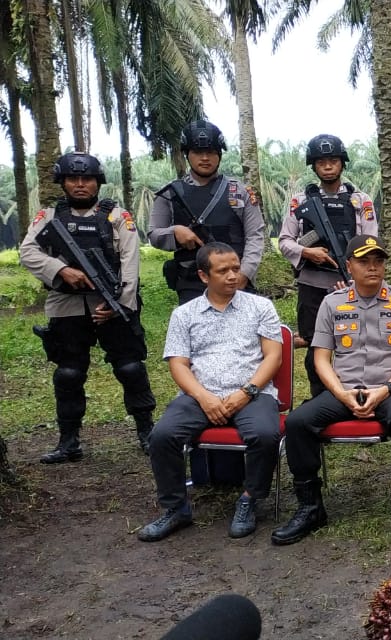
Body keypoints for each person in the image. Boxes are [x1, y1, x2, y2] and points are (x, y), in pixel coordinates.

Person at [271, 235, 391, 545]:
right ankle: (310, 506)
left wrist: (386, 389)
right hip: (343, 390)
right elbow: (320, 357)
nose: (373, 267)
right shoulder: (332, 303)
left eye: (378, 261)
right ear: (349, 266)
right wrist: (342, 394)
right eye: (364, 262)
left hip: (390, 389)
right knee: (297, 423)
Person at [137, 243, 284, 542]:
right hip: (199, 396)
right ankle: (175, 508)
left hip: (252, 394)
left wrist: (247, 392)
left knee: (265, 434)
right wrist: (204, 398)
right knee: (162, 436)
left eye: (236, 268)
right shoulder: (184, 314)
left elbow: (273, 357)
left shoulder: (260, 307)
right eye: (223, 271)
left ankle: (249, 499)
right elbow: (178, 363)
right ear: (204, 276)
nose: (232, 276)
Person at [20, 151, 156, 462]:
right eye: (73, 179)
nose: (80, 184)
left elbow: (130, 264)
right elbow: (28, 252)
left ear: (97, 183)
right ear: (63, 182)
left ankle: (147, 432)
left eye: (87, 179)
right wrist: (60, 270)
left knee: (130, 368)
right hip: (65, 306)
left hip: (113, 305)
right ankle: (69, 442)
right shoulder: (49, 217)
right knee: (68, 374)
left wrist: (120, 303)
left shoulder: (117, 217)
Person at [278, 134, 379, 397]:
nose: (328, 165)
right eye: (321, 161)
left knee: (358, 346)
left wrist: (355, 278)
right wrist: (307, 252)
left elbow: (371, 241)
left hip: (351, 284)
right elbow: (285, 241)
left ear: (342, 163)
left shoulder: (360, 201)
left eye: (333, 160)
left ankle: (357, 396)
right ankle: (320, 399)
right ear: (314, 165)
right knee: (315, 348)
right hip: (312, 284)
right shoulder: (300, 201)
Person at [149, 120, 266, 304]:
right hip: (192, 285)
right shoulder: (169, 194)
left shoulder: (239, 192)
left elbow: (255, 236)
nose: (205, 158)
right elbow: (154, 234)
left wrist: (244, 274)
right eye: (197, 152)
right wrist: (175, 232)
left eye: (211, 152)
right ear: (187, 154)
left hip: (235, 281)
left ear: (219, 154)